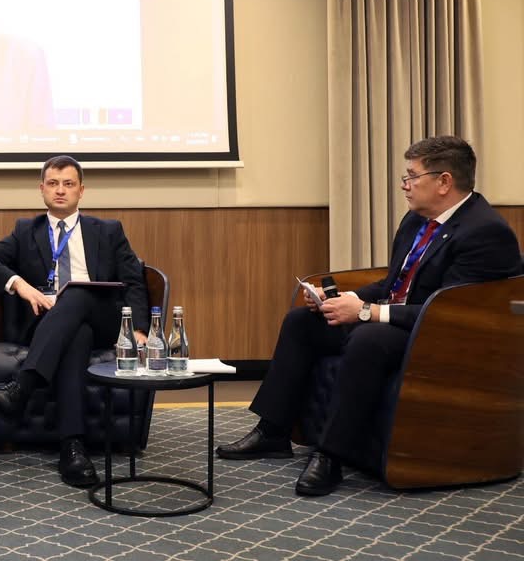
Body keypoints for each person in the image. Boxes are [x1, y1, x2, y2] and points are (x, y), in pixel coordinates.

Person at [217, 135, 522, 496]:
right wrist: (345, 298)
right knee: (303, 322)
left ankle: (331, 455)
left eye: (412, 176)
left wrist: (366, 313)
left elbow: (454, 313)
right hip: (401, 321)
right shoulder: (416, 220)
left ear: (444, 182)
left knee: (369, 337)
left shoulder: (485, 232)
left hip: (441, 337)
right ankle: (273, 430)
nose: (405, 185)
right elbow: (393, 282)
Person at [0, 155, 150, 487]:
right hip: (51, 324)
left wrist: (138, 330)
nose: (60, 190)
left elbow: (134, 281)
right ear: (42, 189)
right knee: (76, 334)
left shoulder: (108, 230)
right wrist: (20, 285)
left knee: (78, 293)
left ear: (82, 190)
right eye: (53, 183)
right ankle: (73, 448)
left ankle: (22, 388)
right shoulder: (26, 231)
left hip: (104, 319)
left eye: (68, 184)